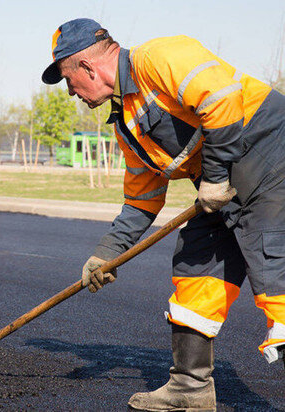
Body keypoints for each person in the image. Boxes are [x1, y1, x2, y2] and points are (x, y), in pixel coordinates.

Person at [42, 18, 285, 411]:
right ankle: (191, 388)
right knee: (196, 263)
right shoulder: (127, 125)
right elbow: (142, 201)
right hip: (221, 187)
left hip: (272, 158)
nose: (71, 93)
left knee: (277, 274)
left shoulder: (158, 57)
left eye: (69, 80)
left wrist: (217, 175)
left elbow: (222, 98)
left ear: (87, 67)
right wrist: (107, 253)